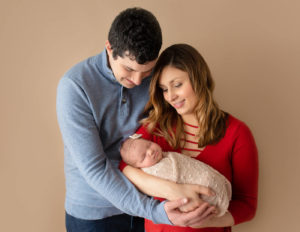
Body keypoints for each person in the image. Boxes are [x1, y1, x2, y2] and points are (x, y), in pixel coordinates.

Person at [57, 8, 215, 232]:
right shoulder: (75, 87)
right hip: (95, 216)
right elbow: (95, 168)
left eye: (146, 71)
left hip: (150, 209)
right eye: (129, 69)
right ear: (109, 47)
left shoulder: (154, 78)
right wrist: (154, 210)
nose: (137, 80)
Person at [121, 43, 259, 232]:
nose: (171, 96)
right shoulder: (156, 127)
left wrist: (200, 220)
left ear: (198, 78)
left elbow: (247, 206)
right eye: (164, 89)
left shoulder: (237, 133)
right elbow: (124, 166)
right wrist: (173, 191)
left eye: (177, 85)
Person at [120, 136, 232, 217]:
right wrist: (175, 190)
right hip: (186, 209)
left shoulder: (160, 152)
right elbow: (122, 167)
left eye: (149, 144)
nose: (150, 151)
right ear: (138, 167)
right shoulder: (152, 171)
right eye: (143, 156)